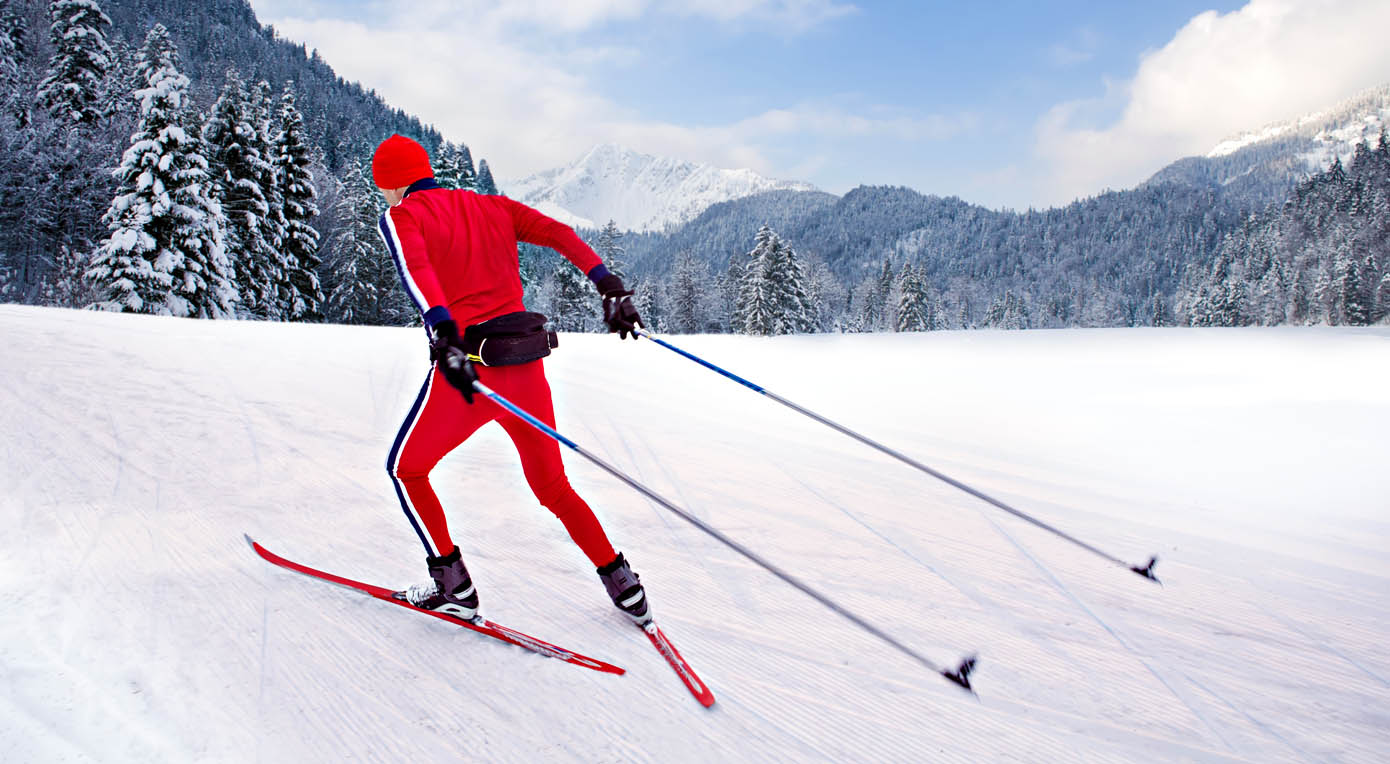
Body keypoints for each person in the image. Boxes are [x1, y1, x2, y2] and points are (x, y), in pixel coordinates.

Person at [371, 134, 650, 626]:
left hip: (470, 377)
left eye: (384, 189)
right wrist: (606, 283)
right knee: (553, 486)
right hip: (526, 372)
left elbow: (415, 268)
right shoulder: (491, 207)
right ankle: (622, 584)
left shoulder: (402, 215)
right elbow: (559, 233)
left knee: (407, 469)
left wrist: (442, 329)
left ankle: (453, 584)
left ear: (392, 186)